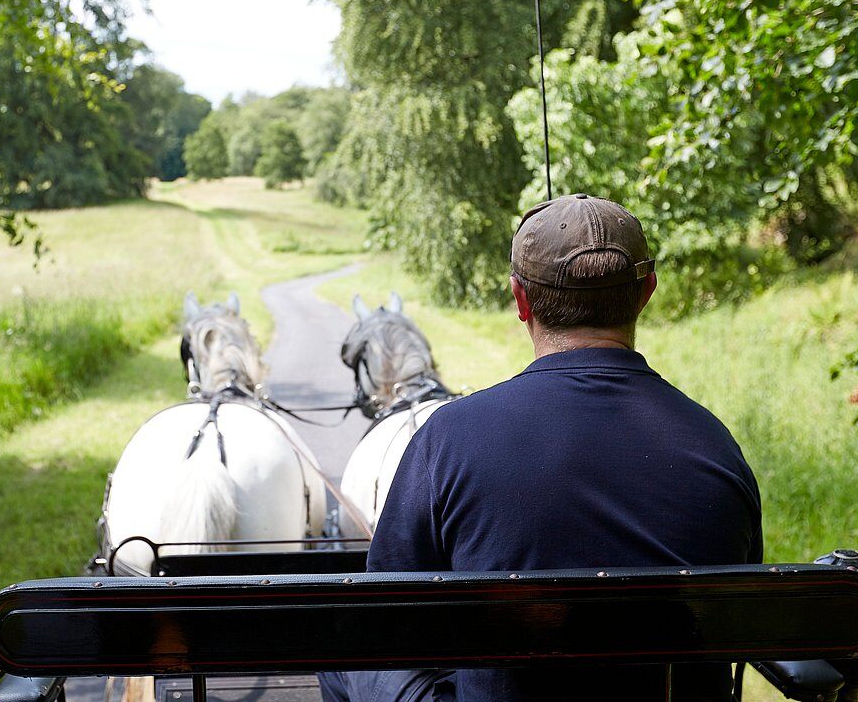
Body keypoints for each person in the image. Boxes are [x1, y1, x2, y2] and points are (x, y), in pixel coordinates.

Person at [320, 193, 763, 702]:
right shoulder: (715, 446)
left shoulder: (447, 438)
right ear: (646, 292)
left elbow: (389, 611)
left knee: (346, 656)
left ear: (520, 300)